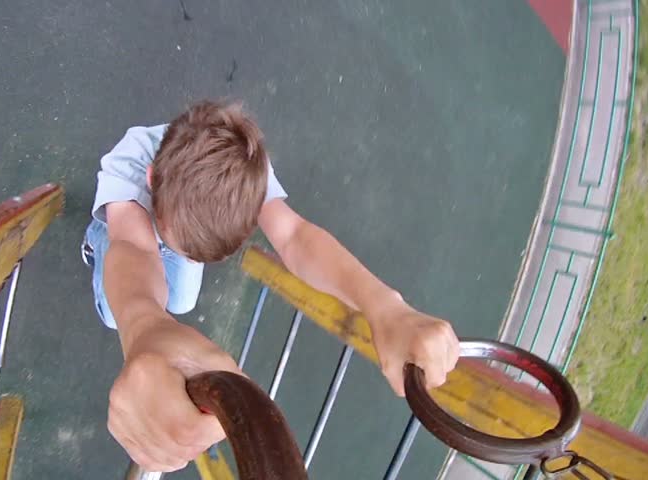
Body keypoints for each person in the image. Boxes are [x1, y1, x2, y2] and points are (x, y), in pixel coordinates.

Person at [82, 100, 460, 472]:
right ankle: (95, 252)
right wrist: (142, 323)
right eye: (188, 251)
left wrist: (384, 305)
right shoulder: (131, 165)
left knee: (178, 297)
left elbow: (295, 235)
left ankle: (171, 267)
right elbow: (133, 246)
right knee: (117, 301)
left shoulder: (246, 172)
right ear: (151, 179)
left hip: (161, 236)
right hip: (120, 229)